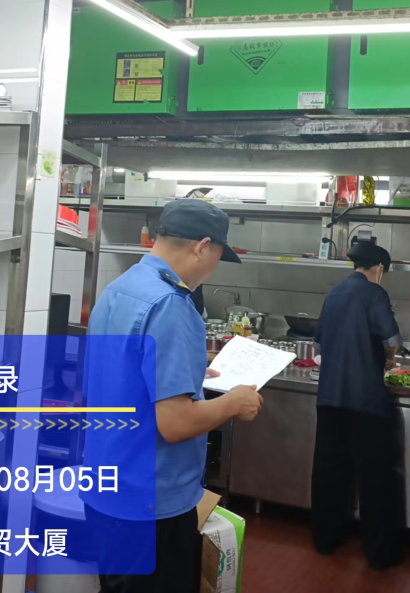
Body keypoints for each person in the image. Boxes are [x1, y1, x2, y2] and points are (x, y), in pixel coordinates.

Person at [81, 198, 263, 592]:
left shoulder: (119, 289)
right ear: (202, 246)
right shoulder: (171, 304)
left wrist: (188, 372)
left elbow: (120, 372)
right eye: (217, 256)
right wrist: (233, 402)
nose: (214, 266)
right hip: (151, 504)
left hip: (107, 491)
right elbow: (176, 424)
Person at [310, 240, 405, 570]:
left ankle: (325, 539)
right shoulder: (374, 293)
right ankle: (380, 554)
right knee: (374, 476)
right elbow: (391, 340)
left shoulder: (334, 293)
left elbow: (318, 344)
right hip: (366, 400)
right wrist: (389, 359)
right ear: (379, 269)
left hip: (330, 397)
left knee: (329, 470)